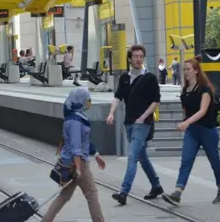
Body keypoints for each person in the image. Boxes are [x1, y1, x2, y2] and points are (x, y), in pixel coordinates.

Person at [162, 57, 220, 206]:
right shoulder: (185, 91)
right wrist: (185, 122)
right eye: (184, 69)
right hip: (192, 131)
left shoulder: (205, 90)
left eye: (188, 69)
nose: (185, 72)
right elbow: (186, 111)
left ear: (196, 71)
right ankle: (177, 193)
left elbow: (203, 111)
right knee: (186, 160)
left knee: (214, 160)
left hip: (207, 130)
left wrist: (186, 123)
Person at [106, 44, 163, 205]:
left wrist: (143, 117)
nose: (138, 59)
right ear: (130, 59)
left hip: (143, 124)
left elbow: (155, 101)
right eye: (135, 56)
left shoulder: (149, 77)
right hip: (129, 123)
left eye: (140, 56)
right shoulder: (124, 77)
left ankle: (124, 192)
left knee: (132, 157)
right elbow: (118, 97)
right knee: (142, 156)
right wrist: (111, 113)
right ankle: (156, 186)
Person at [42, 87, 105, 222]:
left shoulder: (75, 116)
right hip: (77, 163)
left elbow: (84, 141)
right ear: (81, 100)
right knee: (91, 194)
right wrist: (78, 168)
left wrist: (96, 154)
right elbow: (76, 147)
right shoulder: (76, 121)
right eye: (88, 100)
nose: (89, 103)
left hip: (71, 162)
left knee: (64, 196)